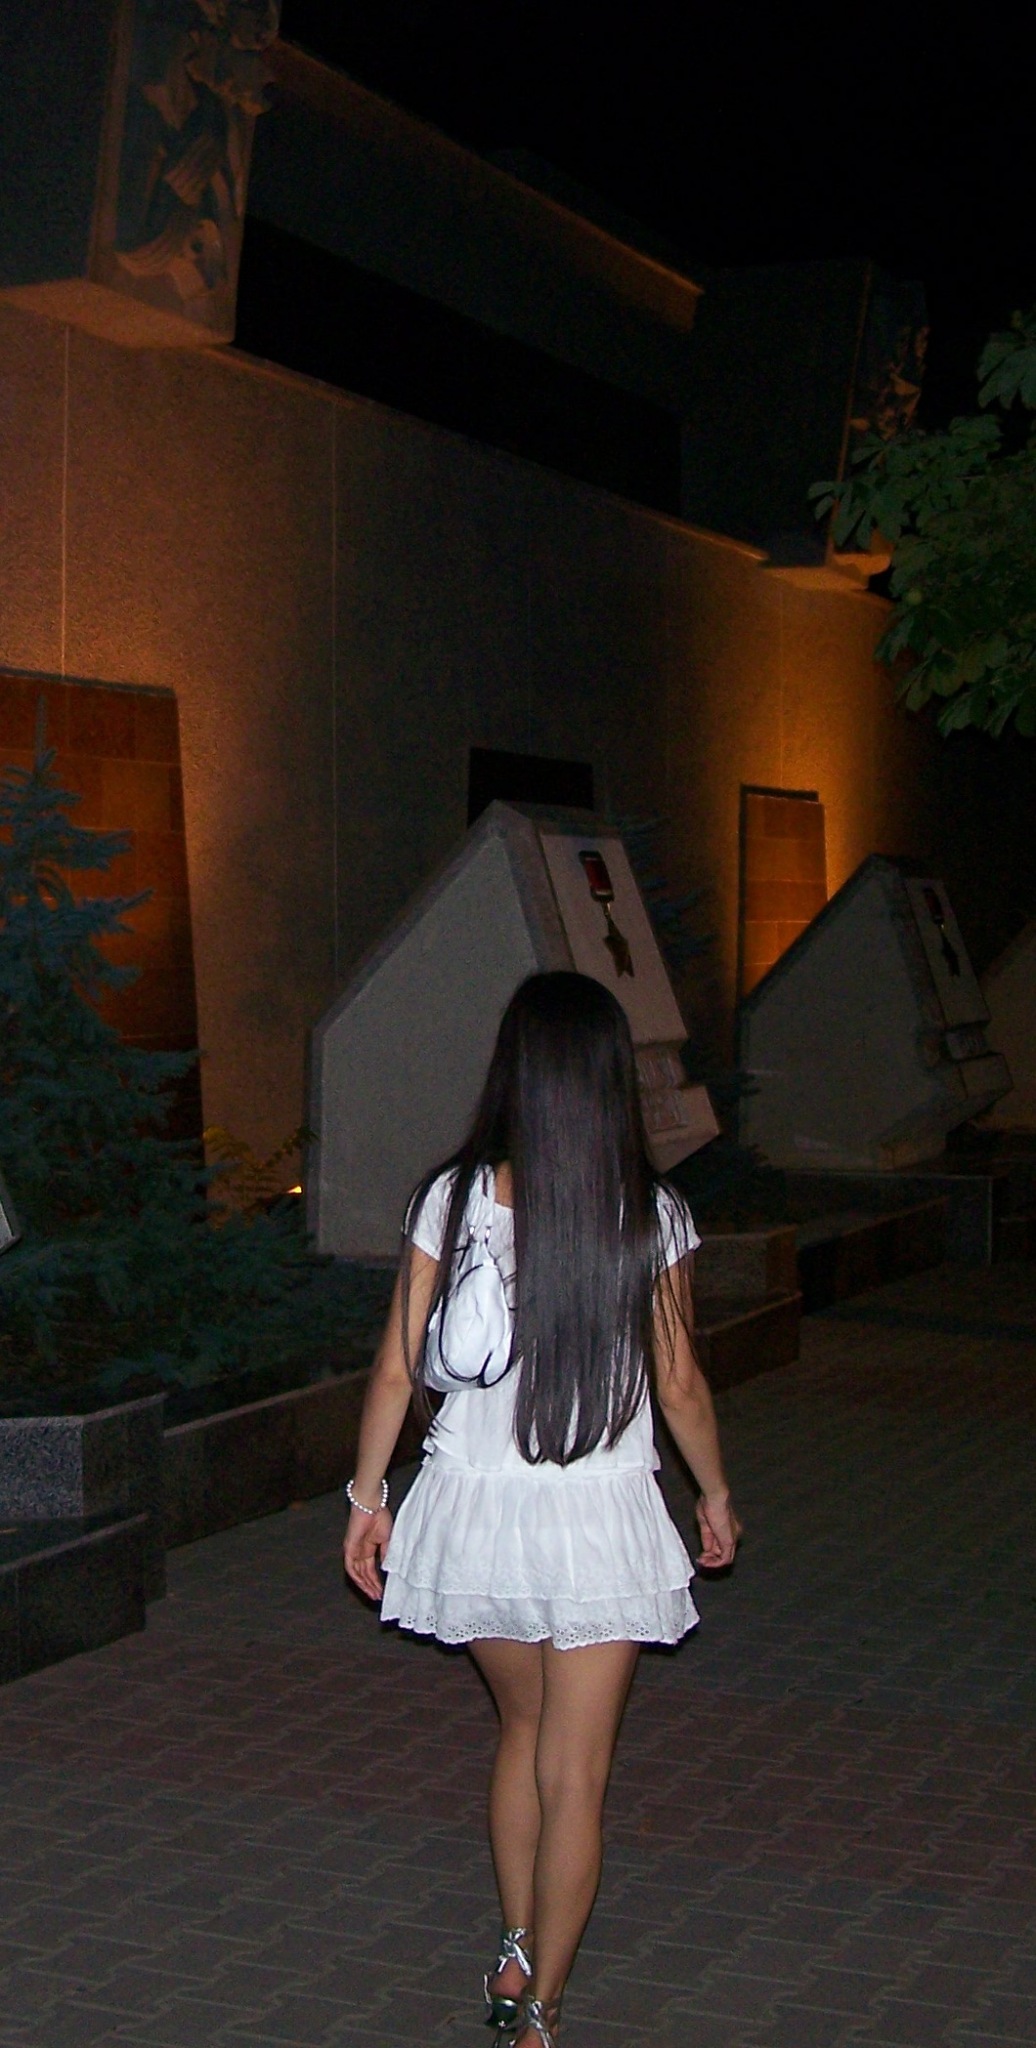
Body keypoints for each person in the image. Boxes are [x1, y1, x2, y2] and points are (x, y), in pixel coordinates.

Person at [344, 971, 740, 2045]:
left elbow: (396, 1369)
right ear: (611, 1080)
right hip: (597, 1518)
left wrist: (368, 1497)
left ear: (512, 1071)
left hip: (474, 1514)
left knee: (520, 1728)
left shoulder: (451, 1196)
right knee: (578, 1770)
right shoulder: (651, 1212)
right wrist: (712, 1493)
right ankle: (541, 2012)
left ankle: (515, 1941)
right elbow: (680, 1384)